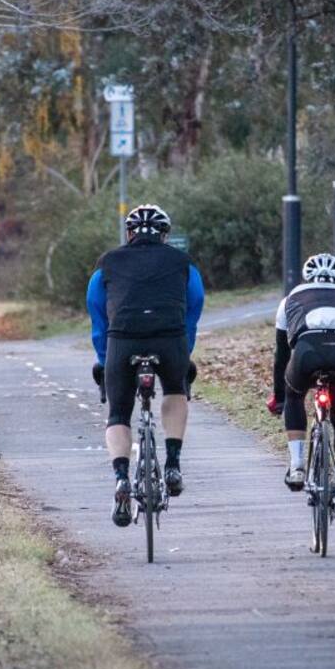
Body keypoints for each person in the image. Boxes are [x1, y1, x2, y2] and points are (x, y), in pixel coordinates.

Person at [87, 204, 205, 527]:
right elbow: (193, 310)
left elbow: (98, 317)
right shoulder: (184, 264)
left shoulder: (106, 265)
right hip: (169, 340)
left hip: (122, 340)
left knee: (119, 413)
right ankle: (173, 464)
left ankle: (122, 478)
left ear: (129, 234)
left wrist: (103, 359)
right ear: (165, 236)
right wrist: (184, 352)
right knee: (176, 391)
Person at [266, 253, 335, 518]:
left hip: (306, 354)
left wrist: (279, 397)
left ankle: (298, 465)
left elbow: (281, 357)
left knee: (294, 396)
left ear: (307, 276)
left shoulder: (290, 299)